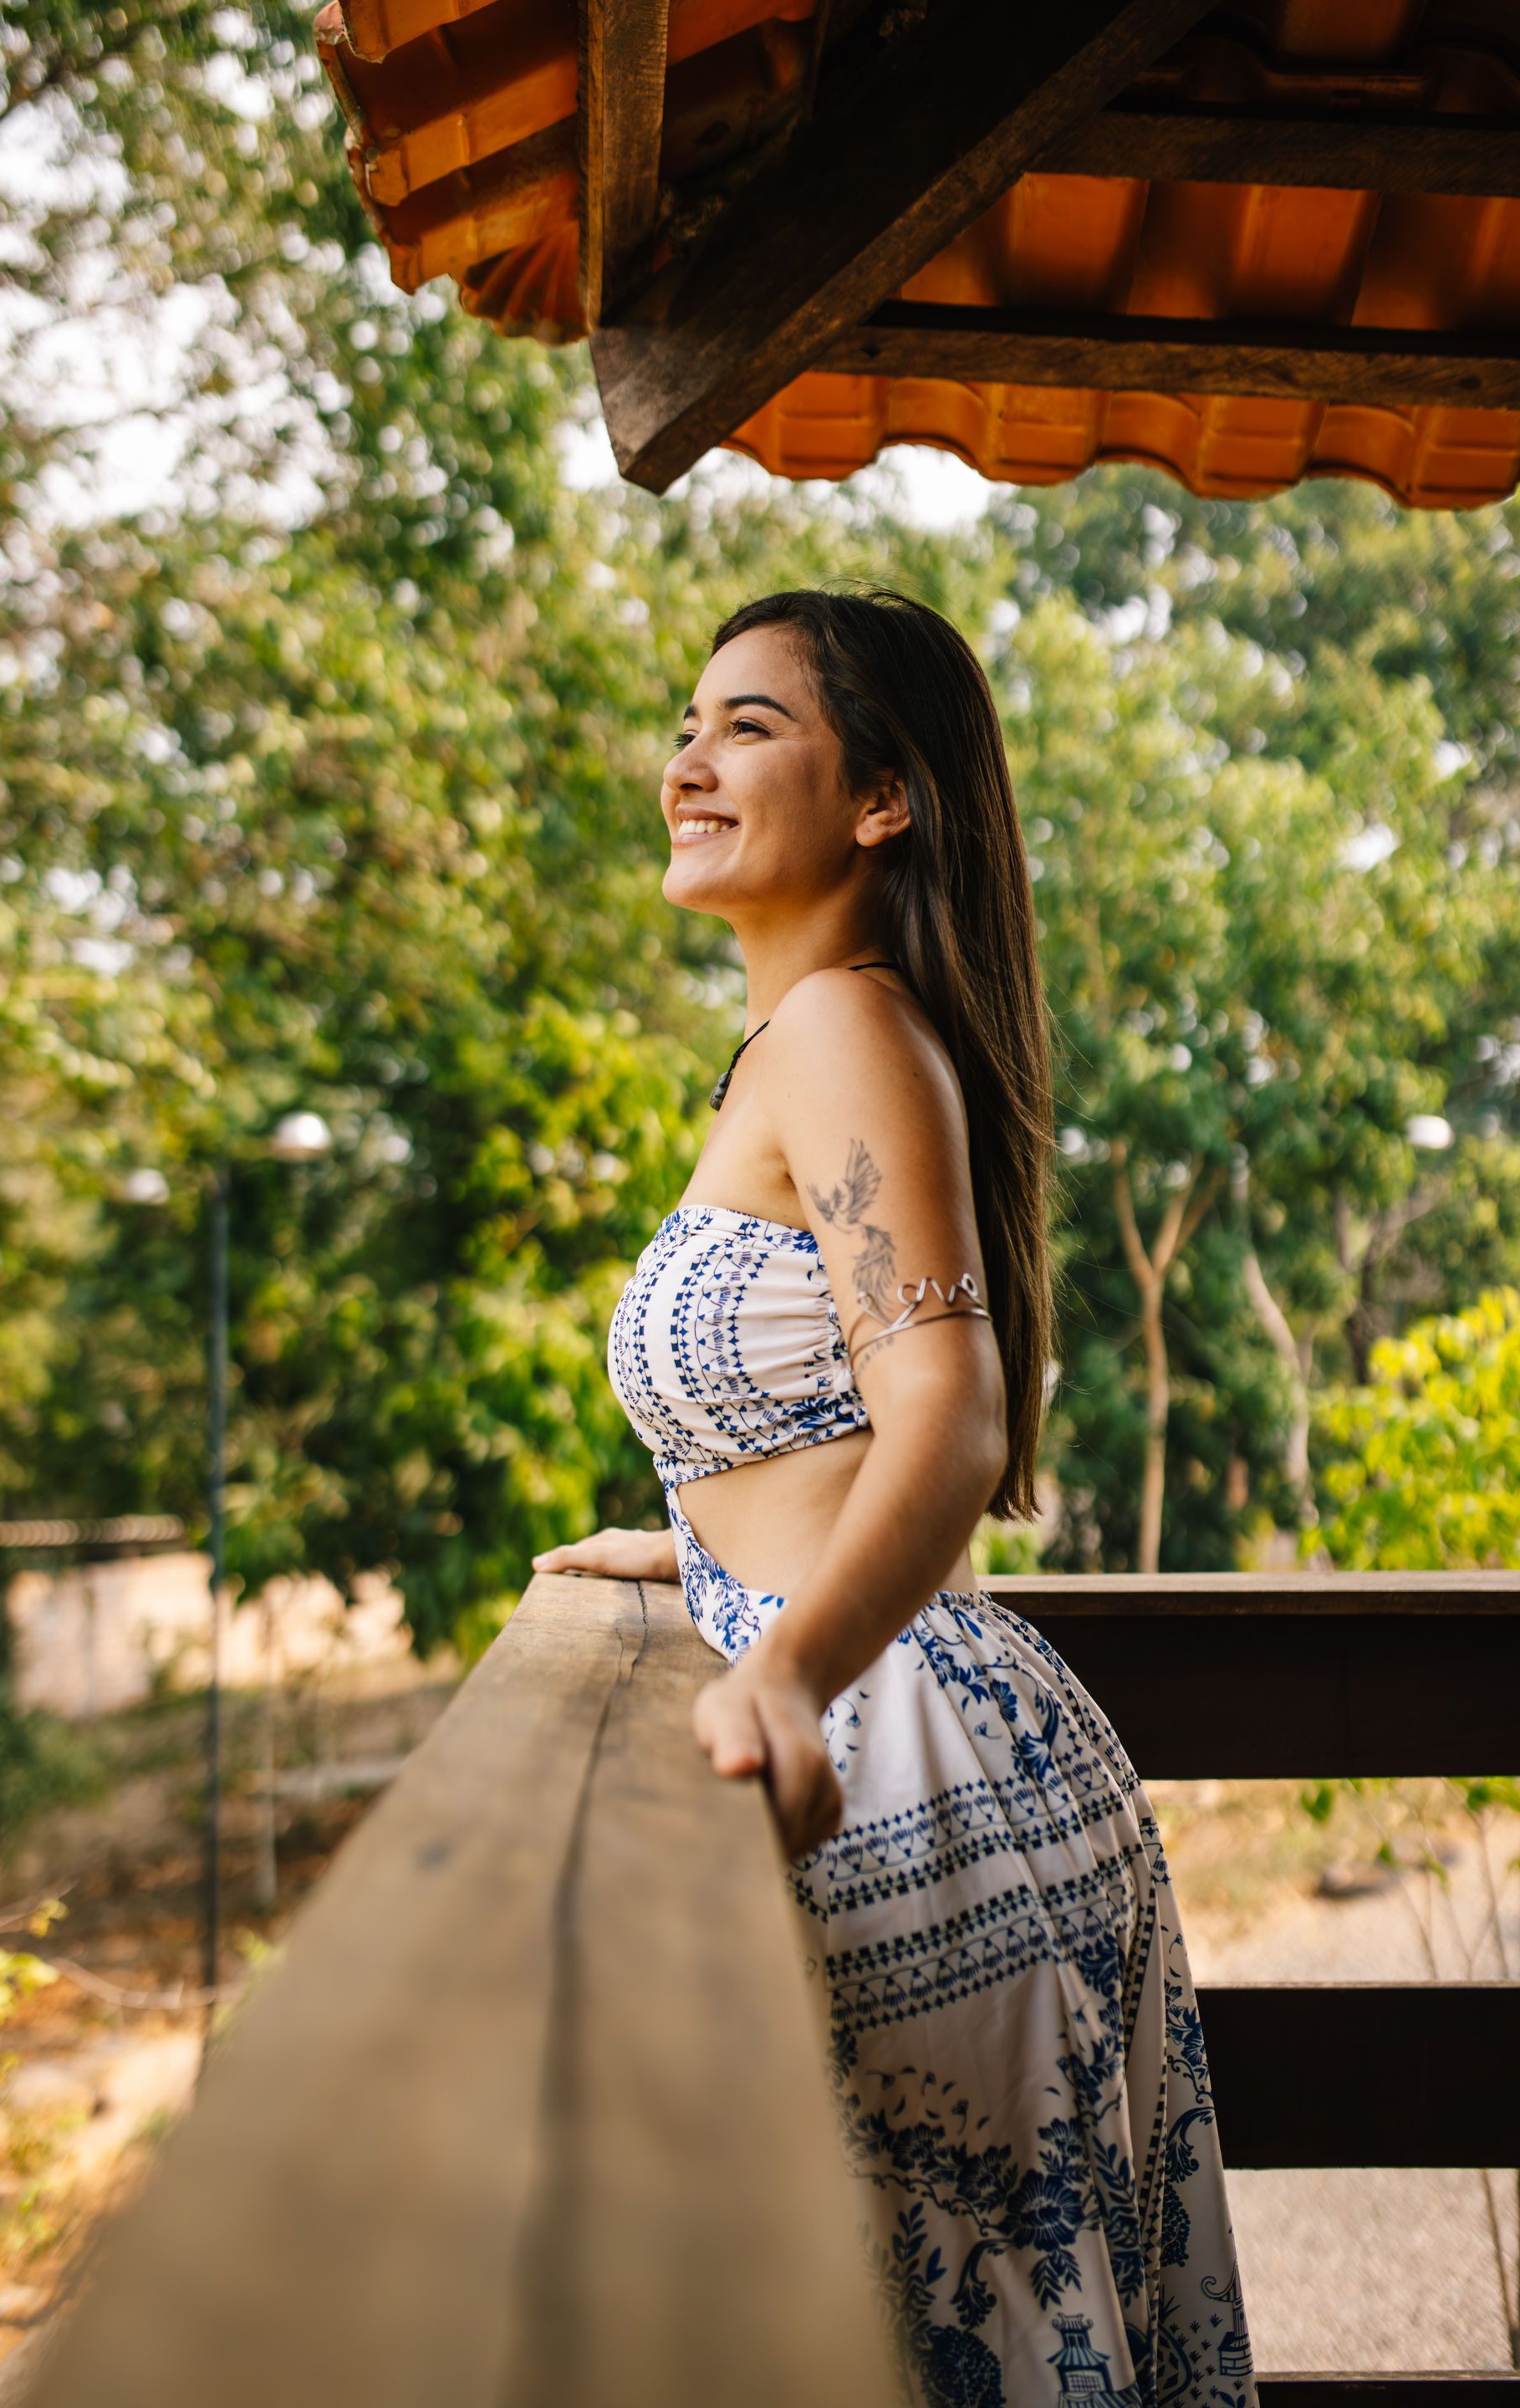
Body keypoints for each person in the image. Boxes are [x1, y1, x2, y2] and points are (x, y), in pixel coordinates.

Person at [534, 588, 1255, 2408]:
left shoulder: (851, 1030)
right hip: (875, 1706)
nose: (685, 763)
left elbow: (948, 1420)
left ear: (884, 800)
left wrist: (778, 1668)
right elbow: (830, 1414)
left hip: (895, 1753)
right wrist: (699, 1548)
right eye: (689, 723)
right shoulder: (807, 1046)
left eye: (748, 726)